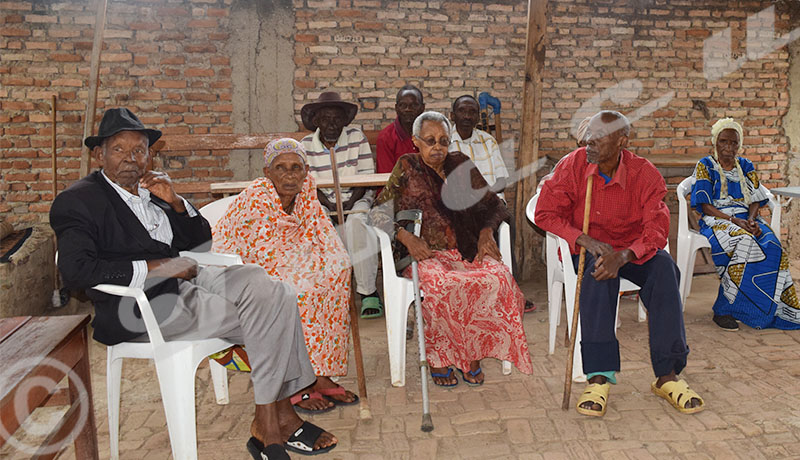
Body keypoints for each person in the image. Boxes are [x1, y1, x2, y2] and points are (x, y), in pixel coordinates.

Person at [49, 108, 337, 459]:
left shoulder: (152, 189)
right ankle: (275, 420)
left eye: (139, 150)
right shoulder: (79, 201)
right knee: (272, 311)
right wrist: (160, 267)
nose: (131, 159)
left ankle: (272, 417)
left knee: (275, 290)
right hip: (142, 304)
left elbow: (201, 240)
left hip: (192, 275)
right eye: (119, 150)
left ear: (149, 154)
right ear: (100, 155)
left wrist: (177, 203)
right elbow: (76, 270)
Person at [535, 110, 704, 417]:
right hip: (589, 248)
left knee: (665, 270)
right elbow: (545, 213)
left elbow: (657, 228)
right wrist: (583, 239)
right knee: (599, 275)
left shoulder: (644, 174)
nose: (590, 142)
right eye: (589, 135)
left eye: (599, 137)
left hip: (631, 250)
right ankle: (599, 377)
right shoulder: (573, 166)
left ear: (622, 141)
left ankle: (667, 375)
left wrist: (625, 255)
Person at [370, 111, 532, 387]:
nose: (438, 147)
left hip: (467, 248)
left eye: (443, 141)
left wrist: (485, 232)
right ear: (416, 142)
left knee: (499, 278)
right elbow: (377, 212)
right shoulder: (407, 166)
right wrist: (406, 238)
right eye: (430, 141)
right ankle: (441, 357)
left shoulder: (461, 165)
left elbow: (495, 206)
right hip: (424, 253)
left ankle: (472, 354)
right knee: (445, 285)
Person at [212, 138, 359, 414]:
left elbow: (325, 238)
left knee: (337, 273)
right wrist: (304, 270)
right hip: (240, 270)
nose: (290, 175)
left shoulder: (306, 194)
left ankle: (320, 373)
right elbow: (261, 252)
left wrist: (335, 264)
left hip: (293, 265)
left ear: (306, 171)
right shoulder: (257, 196)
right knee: (294, 290)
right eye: (281, 168)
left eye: (296, 168)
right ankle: (295, 383)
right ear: (268, 172)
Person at [690, 117, 799, 331]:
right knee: (744, 244)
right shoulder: (706, 165)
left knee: (773, 246)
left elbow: (757, 198)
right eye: (724, 141)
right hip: (718, 219)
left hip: (746, 217)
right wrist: (733, 220)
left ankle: (776, 309)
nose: (729, 147)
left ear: (739, 145)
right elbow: (703, 205)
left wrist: (751, 219)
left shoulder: (746, 165)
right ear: (715, 142)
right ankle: (723, 310)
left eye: (734, 143)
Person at [300, 92, 383, 319]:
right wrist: (330, 205)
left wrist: (347, 204)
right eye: (325, 119)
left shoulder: (357, 138)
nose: (331, 124)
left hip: (355, 199)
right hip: (322, 202)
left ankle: (368, 291)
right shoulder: (305, 145)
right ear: (316, 121)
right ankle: (331, 292)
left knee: (357, 223)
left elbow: (366, 178)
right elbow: (307, 184)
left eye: (336, 118)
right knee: (321, 223)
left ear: (344, 121)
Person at [448, 95, 509, 202]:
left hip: (491, 203)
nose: (467, 116)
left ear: (478, 118)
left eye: (472, 112)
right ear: (452, 116)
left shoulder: (489, 141)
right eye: (462, 111)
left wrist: (485, 197)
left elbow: (501, 182)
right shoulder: (445, 144)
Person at [376, 84, 424, 173]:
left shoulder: (430, 132)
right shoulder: (386, 137)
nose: (408, 109)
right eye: (403, 105)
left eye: (414, 105)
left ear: (422, 108)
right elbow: (386, 177)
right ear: (396, 108)